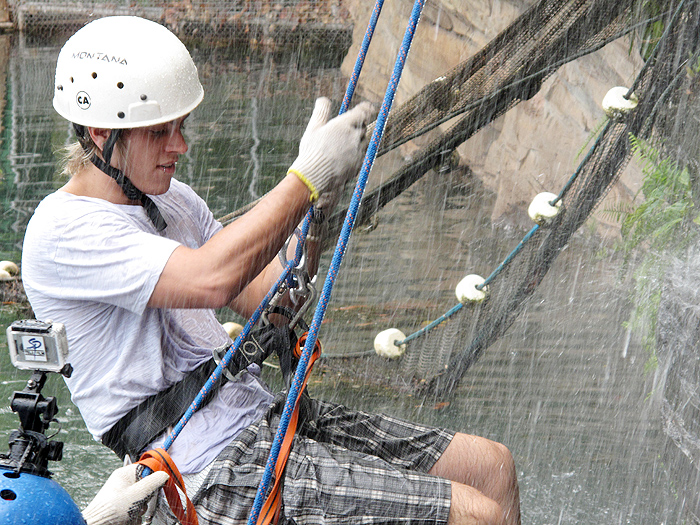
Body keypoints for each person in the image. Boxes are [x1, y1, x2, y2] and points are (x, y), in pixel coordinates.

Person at [21, 15, 520, 525]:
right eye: (159, 132)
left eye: (181, 126)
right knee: (476, 515)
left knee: (490, 467)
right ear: (100, 132)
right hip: (207, 469)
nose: (180, 146)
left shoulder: (173, 202)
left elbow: (274, 299)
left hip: (260, 416)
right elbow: (208, 279)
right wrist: (306, 175)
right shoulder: (63, 231)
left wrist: (316, 208)